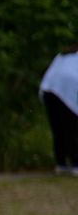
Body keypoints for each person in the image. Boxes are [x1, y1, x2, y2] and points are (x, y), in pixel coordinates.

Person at [39, 44, 78, 176]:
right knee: (71, 129)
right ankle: (74, 163)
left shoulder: (61, 57)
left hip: (50, 91)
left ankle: (61, 163)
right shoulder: (71, 59)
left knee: (59, 129)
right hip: (64, 93)